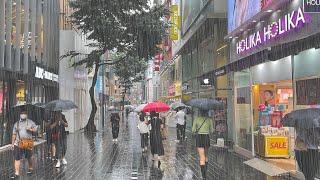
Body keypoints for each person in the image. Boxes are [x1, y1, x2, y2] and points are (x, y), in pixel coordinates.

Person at [11, 111, 38, 179]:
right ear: (20, 114)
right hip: (18, 143)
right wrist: (12, 144)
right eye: (22, 113)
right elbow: (14, 134)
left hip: (28, 143)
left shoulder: (31, 122)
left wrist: (30, 129)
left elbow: (36, 130)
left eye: (24, 113)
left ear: (26, 114)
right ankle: (17, 173)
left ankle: (30, 167)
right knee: (17, 158)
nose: (23, 115)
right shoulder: (16, 124)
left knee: (29, 156)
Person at [192, 109, 214, 180]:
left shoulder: (197, 119)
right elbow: (212, 130)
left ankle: (203, 174)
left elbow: (193, 130)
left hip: (199, 137)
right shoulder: (209, 119)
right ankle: (206, 171)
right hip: (206, 137)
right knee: (206, 155)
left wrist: (198, 129)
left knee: (201, 156)